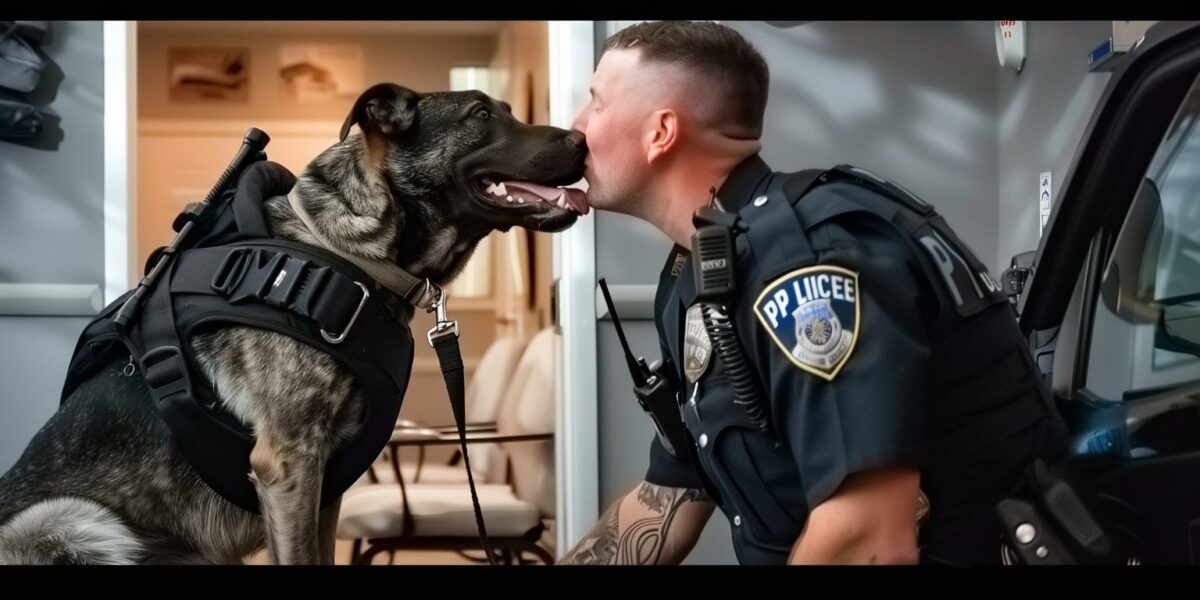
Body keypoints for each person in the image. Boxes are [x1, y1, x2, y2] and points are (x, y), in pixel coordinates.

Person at [558, 20, 1067, 566]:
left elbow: (868, 539)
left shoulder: (808, 258)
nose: (576, 127)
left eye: (596, 102)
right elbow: (665, 504)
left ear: (661, 132)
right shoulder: (699, 274)